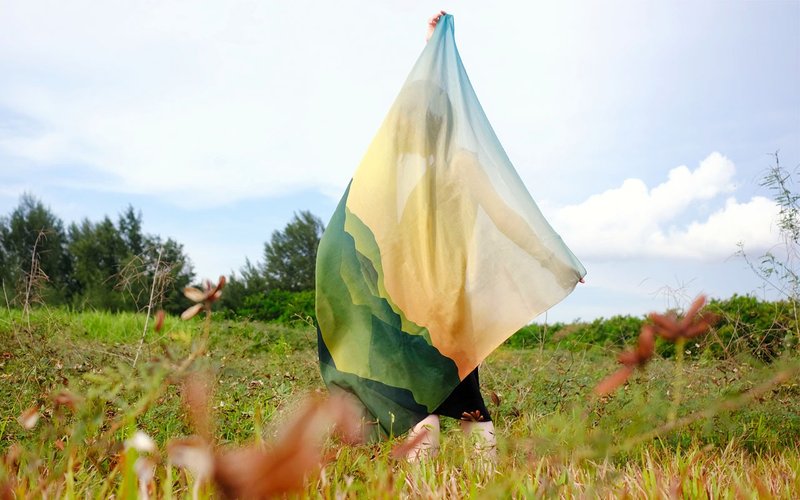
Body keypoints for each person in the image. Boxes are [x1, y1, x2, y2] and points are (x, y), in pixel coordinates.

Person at [316, 10, 586, 461]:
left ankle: (460, 485)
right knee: (446, 403)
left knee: (443, 402)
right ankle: (454, 485)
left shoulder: (456, 166)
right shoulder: (416, 175)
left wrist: (553, 257)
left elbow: (505, 217)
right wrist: (430, 49)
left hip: (440, 305)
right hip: (421, 303)